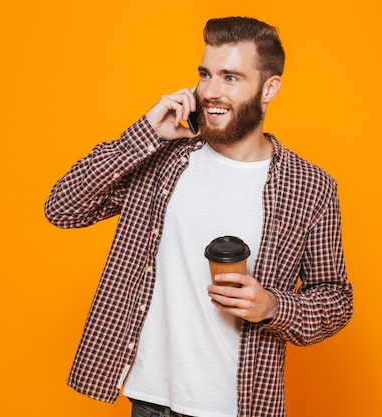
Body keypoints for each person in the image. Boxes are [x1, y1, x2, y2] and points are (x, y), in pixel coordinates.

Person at [44, 16, 353, 417]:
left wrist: (273, 306)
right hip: (151, 403)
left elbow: (335, 299)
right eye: (205, 74)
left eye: (230, 78)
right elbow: (63, 207)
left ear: (269, 88)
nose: (210, 91)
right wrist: (143, 135)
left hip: (238, 406)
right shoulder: (162, 159)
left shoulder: (309, 187)